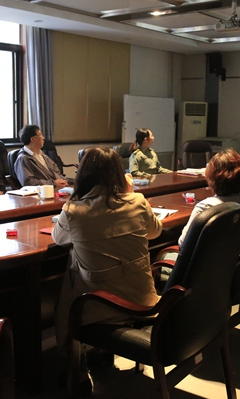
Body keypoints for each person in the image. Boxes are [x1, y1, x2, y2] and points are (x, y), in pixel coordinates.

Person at [52, 147, 163, 364]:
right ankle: (98, 354)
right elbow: (155, 232)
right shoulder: (138, 201)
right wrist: (130, 193)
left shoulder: (74, 210)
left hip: (99, 307)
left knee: (75, 257)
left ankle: (77, 361)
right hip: (142, 300)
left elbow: (59, 239)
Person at [178, 149, 240, 248]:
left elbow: (183, 243)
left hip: (204, 257)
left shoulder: (205, 207)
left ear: (210, 178)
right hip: (237, 254)